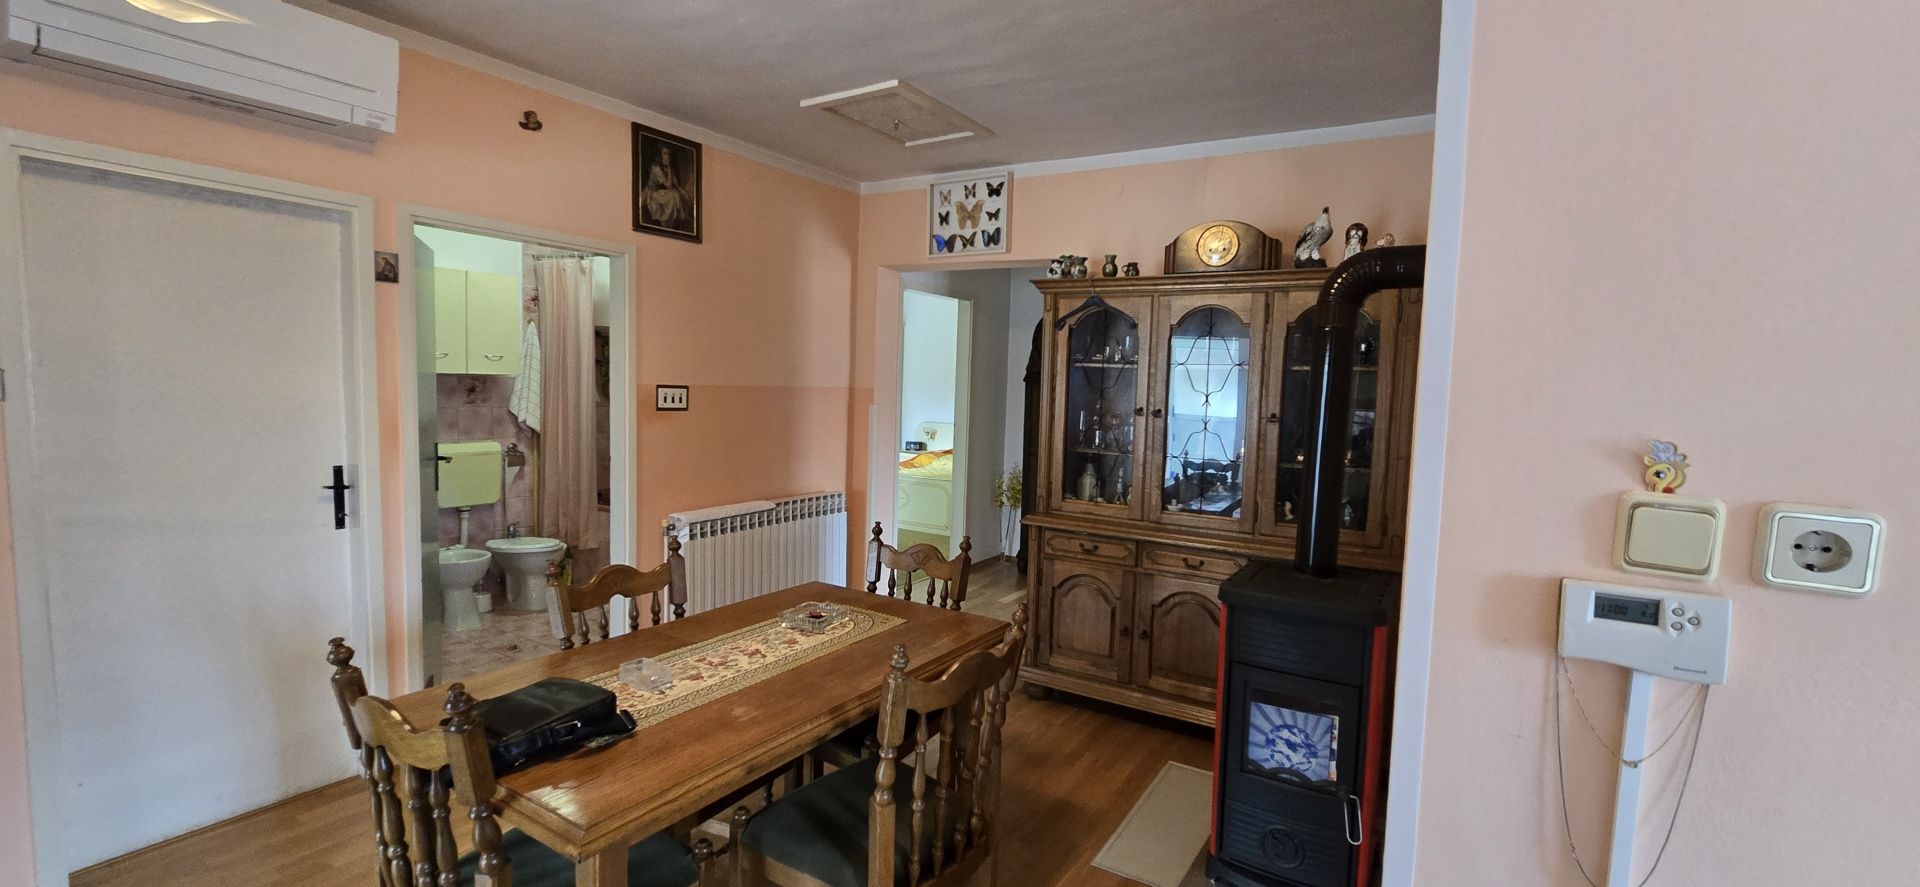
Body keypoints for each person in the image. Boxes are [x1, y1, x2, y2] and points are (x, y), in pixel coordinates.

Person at [643, 145, 691, 229]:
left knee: (683, 195)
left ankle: (681, 219)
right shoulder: (656, 168)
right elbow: (669, 185)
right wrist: (668, 168)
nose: (667, 156)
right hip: (653, 193)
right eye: (664, 154)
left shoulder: (669, 168)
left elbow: (675, 184)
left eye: (669, 154)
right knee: (674, 195)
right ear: (660, 155)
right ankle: (680, 218)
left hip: (663, 192)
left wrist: (682, 192)